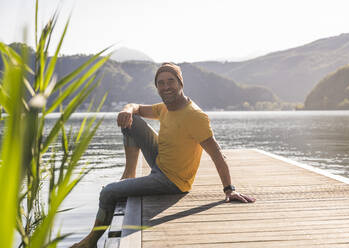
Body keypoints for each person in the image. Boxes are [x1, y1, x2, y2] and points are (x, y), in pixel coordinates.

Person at [71, 63, 255, 248]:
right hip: (160, 160)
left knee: (108, 192)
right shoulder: (165, 108)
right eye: (161, 83)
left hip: (172, 181)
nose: (166, 87)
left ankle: (91, 241)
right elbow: (135, 107)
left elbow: (216, 153)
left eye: (171, 81)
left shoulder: (195, 116)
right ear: (157, 87)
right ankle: (129, 174)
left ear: (180, 83)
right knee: (130, 120)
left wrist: (229, 189)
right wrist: (126, 110)